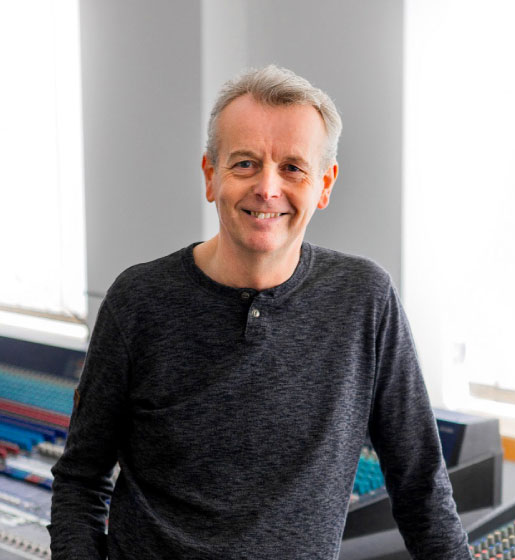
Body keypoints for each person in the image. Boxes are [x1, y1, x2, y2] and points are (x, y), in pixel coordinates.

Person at [49, 65, 472, 560]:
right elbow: (80, 480)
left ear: (325, 184)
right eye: (245, 163)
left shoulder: (365, 300)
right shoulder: (138, 300)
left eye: (293, 167)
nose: (267, 188)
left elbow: (422, 490)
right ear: (211, 175)